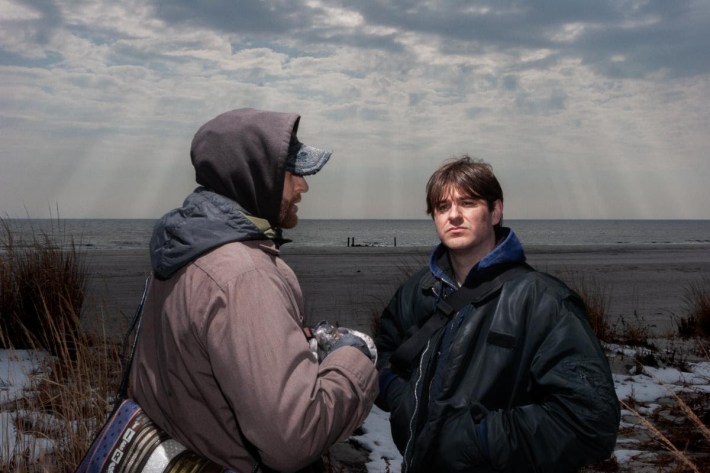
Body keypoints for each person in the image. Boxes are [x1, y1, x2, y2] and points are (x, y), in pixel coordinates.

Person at [130, 108, 378, 472]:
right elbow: (292, 438)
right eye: (292, 173)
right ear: (254, 178)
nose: (303, 186)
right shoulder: (246, 276)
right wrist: (352, 358)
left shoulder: (183, 248)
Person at [375, 156, 620, 472]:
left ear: (495, 211)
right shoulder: (419, 290)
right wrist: (401, 399)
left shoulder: (542, 300)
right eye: (442, 206)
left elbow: (591, 420)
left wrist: (476, 439)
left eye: (468, 203)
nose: (454, 215)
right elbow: (383, 352)